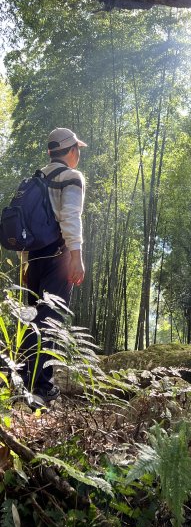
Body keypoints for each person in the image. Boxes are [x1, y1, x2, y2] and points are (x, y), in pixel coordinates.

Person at [21, 127, 86, 405]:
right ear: (71, 151)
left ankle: (23, 380)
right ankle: (42, 387)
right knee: (50, 321)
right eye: (78, 150)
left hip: (33, 258)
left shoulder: (35, 180)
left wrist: (24, 263)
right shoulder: (71, 177)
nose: (79, 155)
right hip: (57, 259)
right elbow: (70, 216)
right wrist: (76, 255)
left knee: (33, 319)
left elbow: (26, 226)